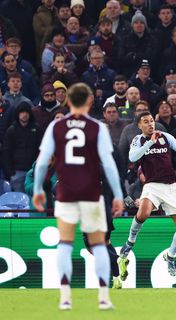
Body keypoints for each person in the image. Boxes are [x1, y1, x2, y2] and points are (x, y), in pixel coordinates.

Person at [32, 83, 124, 310]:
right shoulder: (98, 128)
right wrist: (119, 194)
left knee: (65, 244)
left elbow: (42, 162)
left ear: (69, 102)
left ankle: (65, 296)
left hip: (66, 192)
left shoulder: (56, 127)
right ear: (90, 102)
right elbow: (110, 165)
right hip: (92, 193)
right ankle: (103, 297)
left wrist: (37, 190)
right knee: (99, 245)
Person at [118, 111, 176, 279]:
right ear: (139, 125)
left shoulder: (165, 136)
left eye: (151, 121)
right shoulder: (139, 140)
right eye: (146, 122)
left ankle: (170, 256)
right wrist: (149, 144)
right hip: (152, 186)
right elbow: (132, 157)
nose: (150, 124)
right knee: (142, 214)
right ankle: (129, 243)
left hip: (171, 187)